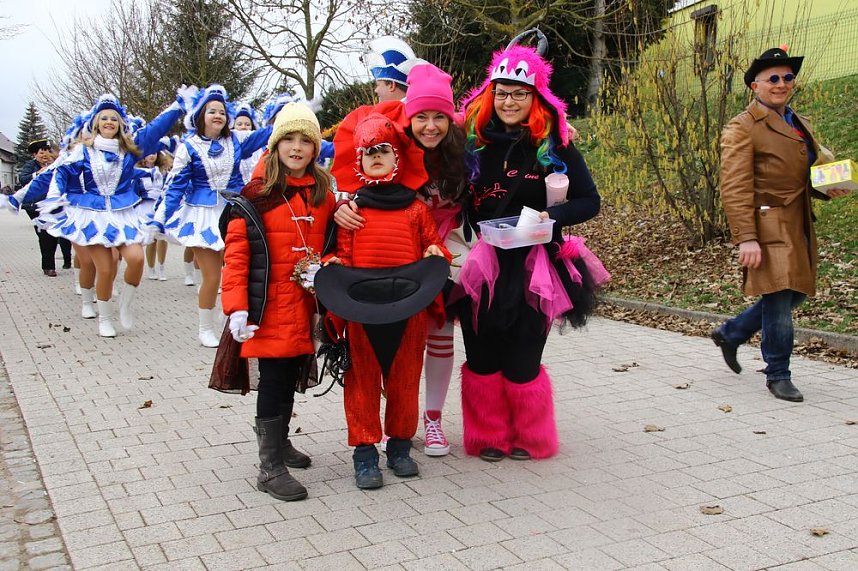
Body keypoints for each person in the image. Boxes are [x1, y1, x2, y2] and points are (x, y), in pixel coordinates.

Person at [454, 34, 609, 462]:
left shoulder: (555, 144)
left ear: (535, 96)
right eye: (502, 93)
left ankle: (529, 435)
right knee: (482, 354)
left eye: (519, 94)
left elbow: (589, 200)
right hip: (481, 266)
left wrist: (551, 218)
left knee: (523, 356)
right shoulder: (470, 142)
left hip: (536, 265)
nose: (508, 102)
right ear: (490, 94)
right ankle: (488, 434)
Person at [334, 63, 468, 457]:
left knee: (438, 333)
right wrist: (341, 207)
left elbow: (503, 117)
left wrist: (558, 131)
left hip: (443, 246)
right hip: (386, 254)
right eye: (421, 117)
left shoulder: (459, 146)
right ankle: (372, 434)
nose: (430, 126)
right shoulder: (388, 143)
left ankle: (430, 420)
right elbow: (352, 167)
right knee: (382, 348)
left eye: (439, 117)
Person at [712, 47, 852, 402]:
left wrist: (825, 189)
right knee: (778, 299)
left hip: (797, 220)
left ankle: (732, 332)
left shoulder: (798, 121)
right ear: (755, 87)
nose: (781, 83)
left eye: (787, 77)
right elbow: (734, 185)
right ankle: (778, 373)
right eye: (772, 78)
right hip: (767, 221)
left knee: (796, 293)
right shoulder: (742, 127)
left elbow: (802, 173)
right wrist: (746, 238)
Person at [221, 102, 335, 502]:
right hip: (267, 305)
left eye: (306, 139)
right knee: (273, 379)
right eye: (289, 138)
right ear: (275, 144)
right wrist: (235, 305)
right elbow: (237, 253)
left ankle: (281, 442)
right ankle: (269, 468)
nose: (297, 147)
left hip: (304, 304)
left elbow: (334, 243)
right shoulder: (257, 194)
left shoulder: (323, 193)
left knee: (289, 375)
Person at [42, 90, 192, 337]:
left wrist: (178, 107)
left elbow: (155, 129)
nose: (109, 122)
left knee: (136, 259)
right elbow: (61, 173)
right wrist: (54, 199)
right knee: (106, 268)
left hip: (124, 213)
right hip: (94, 214)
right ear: (96, 124)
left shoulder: (129, 150)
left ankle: (125, 304)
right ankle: (104, 317)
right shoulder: (83, 151)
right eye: (104, 118)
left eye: (114, 118)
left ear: (120, 124)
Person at [152, 85, 272, 347]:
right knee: (212, 275)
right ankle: (205, 327)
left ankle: (230, 314)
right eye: (211, 111)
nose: (217, 115)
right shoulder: (189, 147)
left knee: (237, 269)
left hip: (233, 211)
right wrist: (159, 219)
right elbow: (175, 188)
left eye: (221, 111)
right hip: (201, 216)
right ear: (200, 116)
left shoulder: (237, 140)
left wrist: (294, 113)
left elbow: (267, 134)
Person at [17, 139, 72, 276]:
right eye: (41, 152)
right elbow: (22, 179)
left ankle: (66, 259)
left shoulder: (56, 165)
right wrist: (38, 173)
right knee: (45, 235)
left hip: (56, 204)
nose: (45, 155)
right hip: (36, 206)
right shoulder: (31, 166)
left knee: (57, 234)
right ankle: (49, 267)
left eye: (47, 151)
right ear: (35, 154)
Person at [364, 36, 421, 102]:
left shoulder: (405, 111)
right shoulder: (419, 109)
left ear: (391, 85)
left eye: (378, 85)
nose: (376, 90)